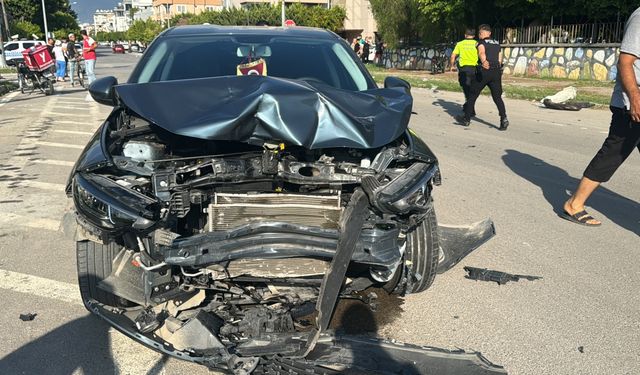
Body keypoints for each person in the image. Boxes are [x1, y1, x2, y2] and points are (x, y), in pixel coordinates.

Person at [562, 7, 640, 227]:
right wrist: (635, 99)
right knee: (613, 153)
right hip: (631, 104)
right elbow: (625, 61)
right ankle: (574, 204)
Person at [458, 24, 509, 130]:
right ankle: (503, 119)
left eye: (481, 33)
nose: (479, 34)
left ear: (486, 33)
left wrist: (484, 61)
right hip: (496, 72)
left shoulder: (481, 43)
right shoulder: (496, 43)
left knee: (472, 94)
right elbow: (500, 58)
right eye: (479, 33)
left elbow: (481, 52)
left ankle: (466, 119)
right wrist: (498, 69)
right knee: (497, 97)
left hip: (485, 71)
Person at [450, 28, 478, 117]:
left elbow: (453, 56)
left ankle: (470, 108)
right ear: (474, 36)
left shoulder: (460, 44)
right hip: (475, 69)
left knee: (466, 89)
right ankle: (469, 106)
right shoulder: (477, 44)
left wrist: (452, 66)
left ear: (465, 35)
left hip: (464, 70)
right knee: (472, 89)